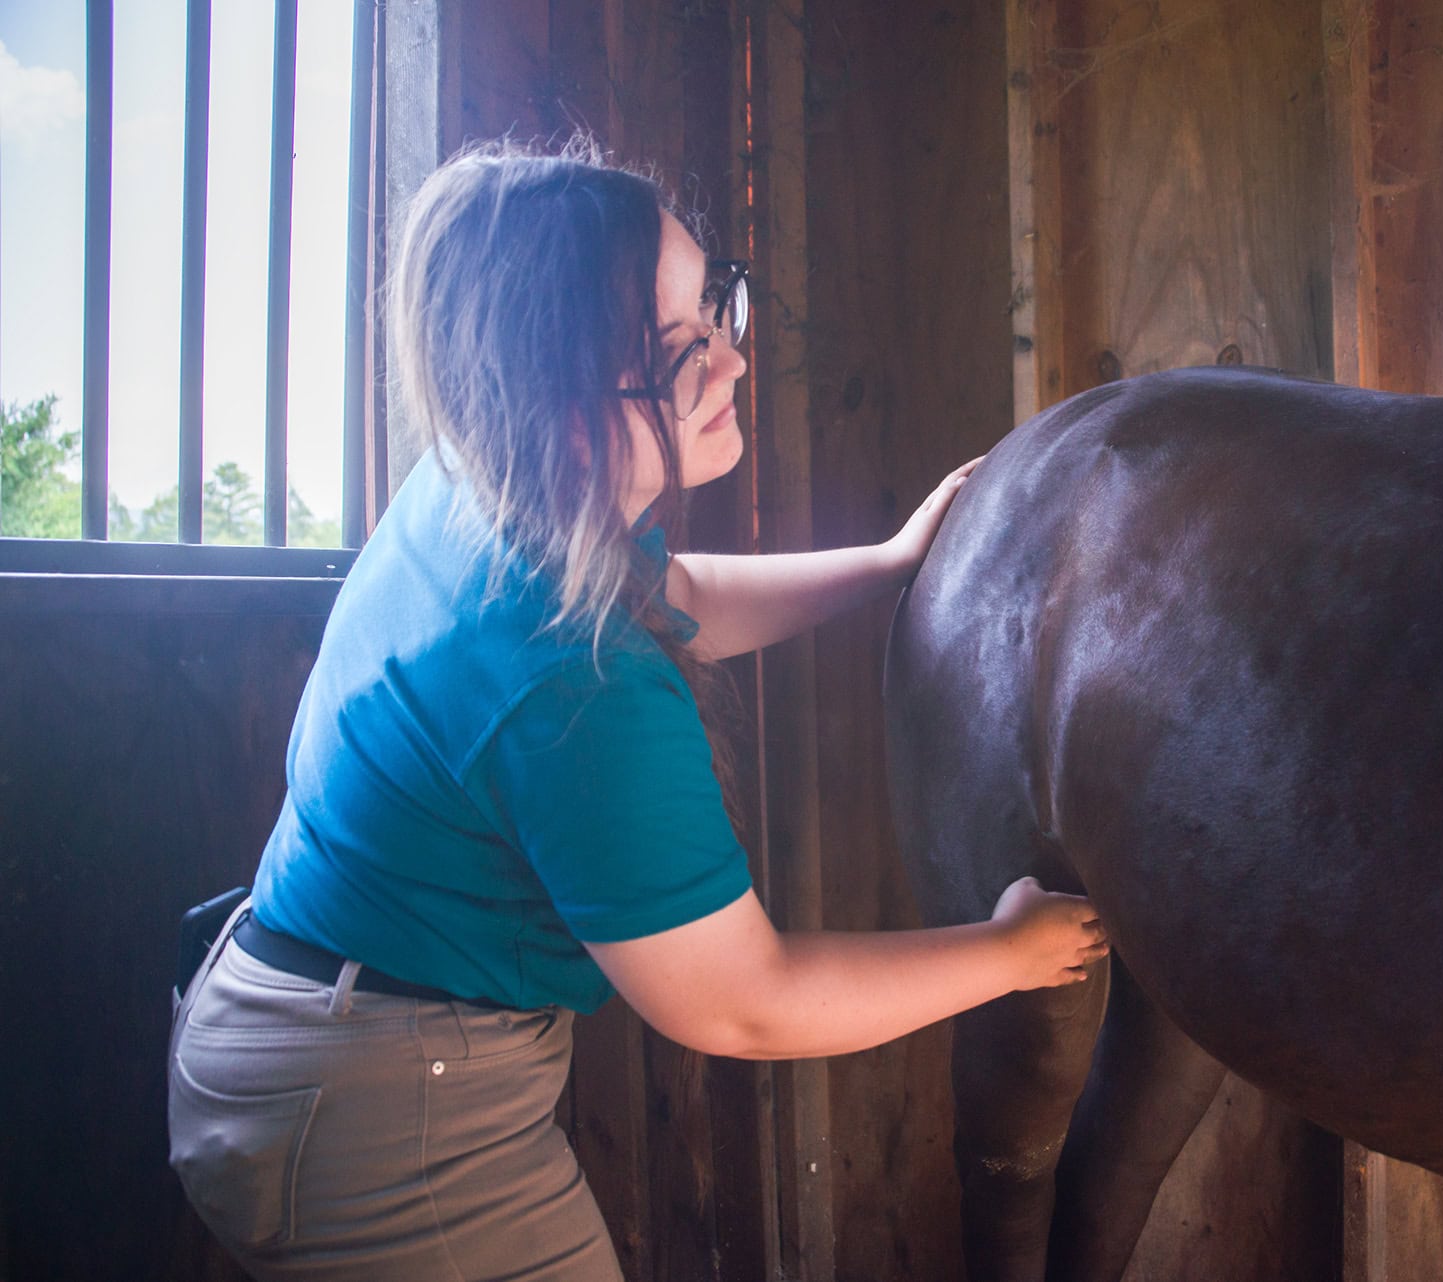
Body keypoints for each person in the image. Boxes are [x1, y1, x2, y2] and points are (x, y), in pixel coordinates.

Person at [166, 139, 1107, 1282]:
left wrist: (886, 561)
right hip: (374, 1108)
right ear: (553, 403)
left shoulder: (489, 479)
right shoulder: (571, 674)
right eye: (679, 352)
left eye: (715, 307)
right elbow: (743, 1002)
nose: (734, 359)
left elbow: (677, 595)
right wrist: (1010, 952)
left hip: (302, 1029)